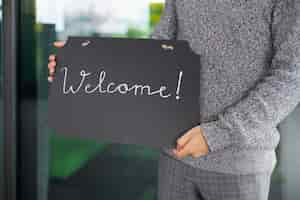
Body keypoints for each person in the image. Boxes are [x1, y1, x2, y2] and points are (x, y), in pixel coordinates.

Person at [48, 0, 300, 199]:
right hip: (175, 153)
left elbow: (291, 76)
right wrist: (82, 67)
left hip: (238, 165)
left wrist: (217, 134)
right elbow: (160, 46)